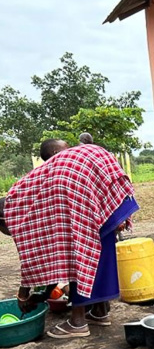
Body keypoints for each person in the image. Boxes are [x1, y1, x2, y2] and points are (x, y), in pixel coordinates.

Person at [1, 144, 139, 338]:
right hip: (107, 193)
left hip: (88, 193)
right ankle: (99, 312)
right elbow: (50, 255)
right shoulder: (39, 185)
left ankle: (78, 322)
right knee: (97, 251)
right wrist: (44, 294)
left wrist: (23, 294)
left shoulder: (19, 207)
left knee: (77, 250)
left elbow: (37, 257)